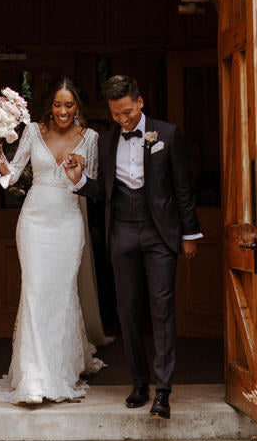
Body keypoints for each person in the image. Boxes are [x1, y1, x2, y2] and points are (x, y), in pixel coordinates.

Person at [64, 75, 201, 420]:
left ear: (139, 103)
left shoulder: (167, 135)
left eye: (127, 112)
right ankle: (139, 383)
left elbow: (183, 188)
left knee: (162, 310)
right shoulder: (108, 143)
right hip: (122, 232)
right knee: (127, 312)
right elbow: (105, 190)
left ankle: (164, 390)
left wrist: (189, 235)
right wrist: (79, 179)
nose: (123, 120)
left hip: (160, 234)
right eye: (116, 115)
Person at [0, 77, 108, 404]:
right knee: (35, 292)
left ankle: (60, 371)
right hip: (34, 222)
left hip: (68, 223)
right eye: (57, 104)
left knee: (63, 293)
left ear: (77, 106)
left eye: (69, 105)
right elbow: (8, 177)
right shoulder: (32, 132)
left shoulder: (91, 138)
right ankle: (33, 377)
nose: (63, 111)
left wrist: (79, 171)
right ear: (49, 105)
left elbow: (93, 185)